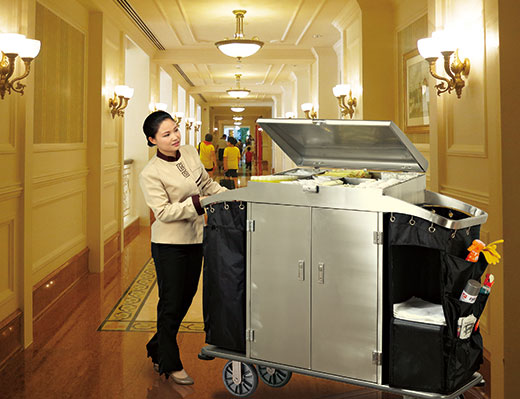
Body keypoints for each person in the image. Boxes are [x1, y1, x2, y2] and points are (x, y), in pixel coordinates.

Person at [139, 111, 226, 385]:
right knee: (170, 302)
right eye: (166, 134)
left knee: (186, 298)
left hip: (195, 238)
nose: (175, 136)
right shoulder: (150, 173)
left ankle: (157, 345)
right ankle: (169, 360)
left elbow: (206, 184)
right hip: (168, 245)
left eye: (175, 130)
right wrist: (199, 204)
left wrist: (232, 196)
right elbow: (163, 212)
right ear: (153, 140)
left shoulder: (189, 152)